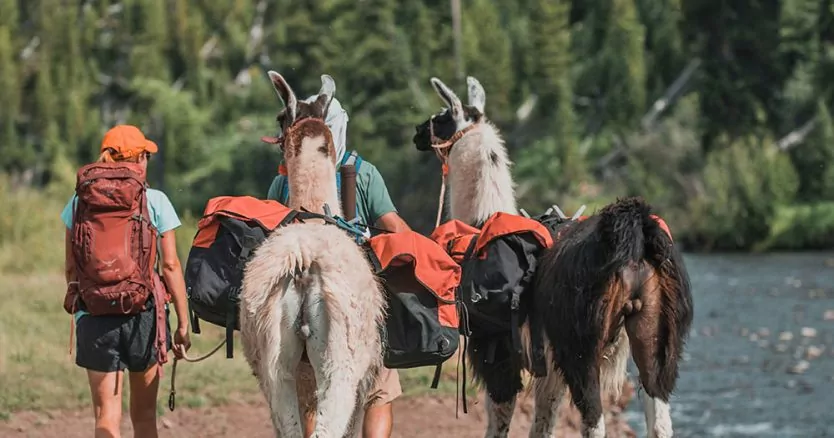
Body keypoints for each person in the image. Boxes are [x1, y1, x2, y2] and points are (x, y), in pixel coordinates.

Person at [266, 96, 410, 438]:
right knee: (378, 389)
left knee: (308, 398)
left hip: (292, 280)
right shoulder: (362, 172)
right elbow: (394, 227)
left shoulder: (282, 181)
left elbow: (269, 232)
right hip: (351, 293)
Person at [61, 125, 191, 438]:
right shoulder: (156, 200)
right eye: (145, 155)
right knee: (145, 417)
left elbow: (70, 268)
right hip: (142, 315)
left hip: (93, 314)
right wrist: (183, 324)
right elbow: (171, 265)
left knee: (106, 417)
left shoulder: (79, 203)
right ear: (139, 159)